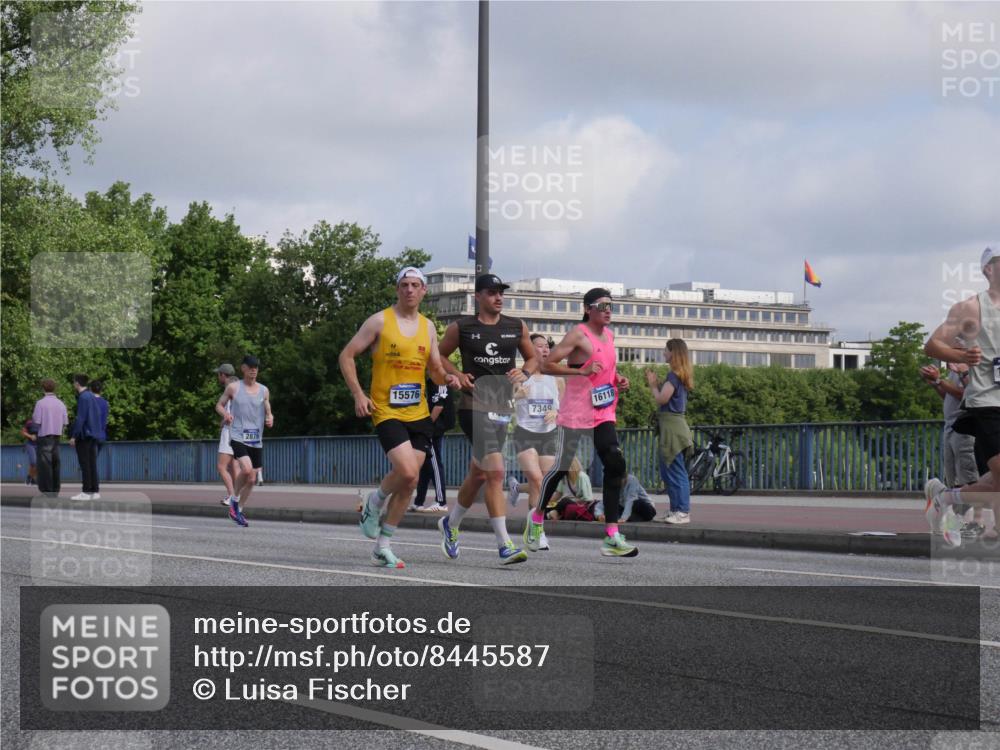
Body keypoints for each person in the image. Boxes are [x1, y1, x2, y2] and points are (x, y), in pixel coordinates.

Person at [339, 267, 458, 569]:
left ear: (423, 291)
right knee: (406, 472)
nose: (409, 290)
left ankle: (383, 545)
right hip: (385, 409)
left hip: (418, 412)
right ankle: (375, 501)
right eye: (404, 285)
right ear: (397, 289)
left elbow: (433, 368)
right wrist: (358, 394)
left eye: (415, 285)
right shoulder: (380, 321)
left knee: (410, 482)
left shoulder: (428, 327)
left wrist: (449, 378)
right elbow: (347, 355)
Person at [524, 287, 638, 557]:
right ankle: (537, 517)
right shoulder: (578, 334)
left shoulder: (609, 335)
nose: (608, 310)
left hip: (603, 409)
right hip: (576, 411)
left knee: (614, 462)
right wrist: (582, 370)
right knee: (562, 467)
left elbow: (607, 370)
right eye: (602, 305)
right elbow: (547, 365)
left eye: (611, 305)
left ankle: (612, 535)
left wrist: (618, 379)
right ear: (588, 309)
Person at [436, 273, 539, 565]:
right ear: (478, 296)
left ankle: (450, 524)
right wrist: (456, 374)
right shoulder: (462, 327)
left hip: (502, 407)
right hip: (472, 405)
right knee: (495, 472)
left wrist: (525, 372)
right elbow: (438, 355)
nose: (498, 297)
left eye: (501, 292)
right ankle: (504, 543)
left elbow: (532, 358)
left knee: (479, 473)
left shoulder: (515, 326)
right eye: (492, 292)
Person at [924, 245, 1000, 546]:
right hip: (987, 403)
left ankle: (944, 498)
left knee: (995, 483)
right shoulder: (970, 308)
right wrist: (962, 354)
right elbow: (933, 346)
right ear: (988, 270)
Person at [509, 333, 563, 549]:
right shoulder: (518, 376)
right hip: (525, 433)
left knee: (544, 485)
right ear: (528, 350)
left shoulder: (556, 377)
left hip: (548, 434)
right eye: (538, 346)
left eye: (546, 346)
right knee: (536, 479)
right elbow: (503, 405)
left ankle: (534, 528)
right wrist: (516, 397)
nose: (545, 349)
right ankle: (536, 532)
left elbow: (562, 407)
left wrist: (555, 412)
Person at [919, 361, 982, 536]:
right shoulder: (956, 369)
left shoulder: (969, 367)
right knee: (955, 479)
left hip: (964, 427)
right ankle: (956, 522)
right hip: (951, 425)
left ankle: (973, 521)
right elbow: (950, 396)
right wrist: (935, 383)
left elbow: (966, 394)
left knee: (968, 478)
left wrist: (939, 380)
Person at [216, 355, 273, 527]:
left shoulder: (264, 390)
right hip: (238, 436)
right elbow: (218, 405)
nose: (254, 369)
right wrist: (225, 414)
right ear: (243, 368)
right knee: (247, 469)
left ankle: (238, 511)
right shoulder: (234, 388)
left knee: (252, 479)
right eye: (250, 367)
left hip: (255, 438)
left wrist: (270, 416)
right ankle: (234, 499)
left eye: (256, 367)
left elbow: (267, 404)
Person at [646, 338, 695, 524]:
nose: (663, 353)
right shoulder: (679, 375)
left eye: (666, 350)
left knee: (675, 470)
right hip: (675, 427)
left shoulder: (673, 375)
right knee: (669, 471)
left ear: (673, 352)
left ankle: (682, 511)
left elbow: (662, 399)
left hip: (672, 429)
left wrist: (652, 385)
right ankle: (676, 510)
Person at [411, 376, 454, 512]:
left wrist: (427, 426)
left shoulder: (440, 379)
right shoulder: (430, 381)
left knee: (434, 463)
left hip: (434, 428)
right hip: (432, 427)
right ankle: (419, 502)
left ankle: (441, 502)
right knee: (426, 464)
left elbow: (439, 405)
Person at [33, 379, 68, 496]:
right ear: (54, 389)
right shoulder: (61, 403)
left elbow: (36, 421)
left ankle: (47, 490)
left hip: (44, 436)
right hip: (57, 437)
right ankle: (55, 489)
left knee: (45, 465)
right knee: (56, 464)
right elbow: (65, 422)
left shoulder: (40, 403)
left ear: (43, 388)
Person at [69, 374, 101, 501]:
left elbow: (80, 418)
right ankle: (95, 490)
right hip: (93, 434)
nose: (73, 384)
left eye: (73, 382)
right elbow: (97, 414)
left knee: (85, 464)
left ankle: (86, 491)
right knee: (92, 463)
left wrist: (74, 436)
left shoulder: (83, 397)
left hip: (84, 435)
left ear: (77, 383)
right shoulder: (91, 396)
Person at [214, 364, 241, 506]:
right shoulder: (242, 387)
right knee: (234, 466)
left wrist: (225, 418)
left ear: (223, 375)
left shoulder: (229, 389)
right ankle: (236, 497)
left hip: (229, 432)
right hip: (240, 431)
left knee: (222, 467)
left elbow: (225, 410)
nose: (218, 377)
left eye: (219, 374)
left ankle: (231, 496)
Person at [90, 380, 109, 452]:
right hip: (101, 435)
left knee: (88, 461)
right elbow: (105, 421)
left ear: (90, 389)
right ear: (101, 390)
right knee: (93, 460)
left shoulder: (88, 401)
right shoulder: (105, 403)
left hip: (91, 436)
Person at [20, 417, 38, 485]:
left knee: (38, 463)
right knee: (33, 462)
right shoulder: (30, 422)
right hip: (31, 445)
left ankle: (32, 477)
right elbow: (23, 432)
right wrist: (30, 436)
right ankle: (30, 477)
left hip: (40, 445)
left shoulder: (44, 422)